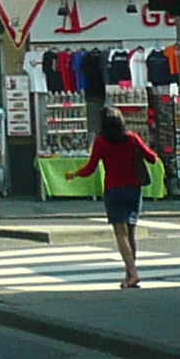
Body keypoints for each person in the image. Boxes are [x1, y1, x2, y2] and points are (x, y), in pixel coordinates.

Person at [68, 109, 163, 288]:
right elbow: (152, 158)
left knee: (120, 234)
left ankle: (132, 273)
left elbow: (91, 168)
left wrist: (75, 174)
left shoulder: (101, 142)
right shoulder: (132, 138)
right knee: (131, 234)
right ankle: (129, 276)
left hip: (113, 190)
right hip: (133, 190)